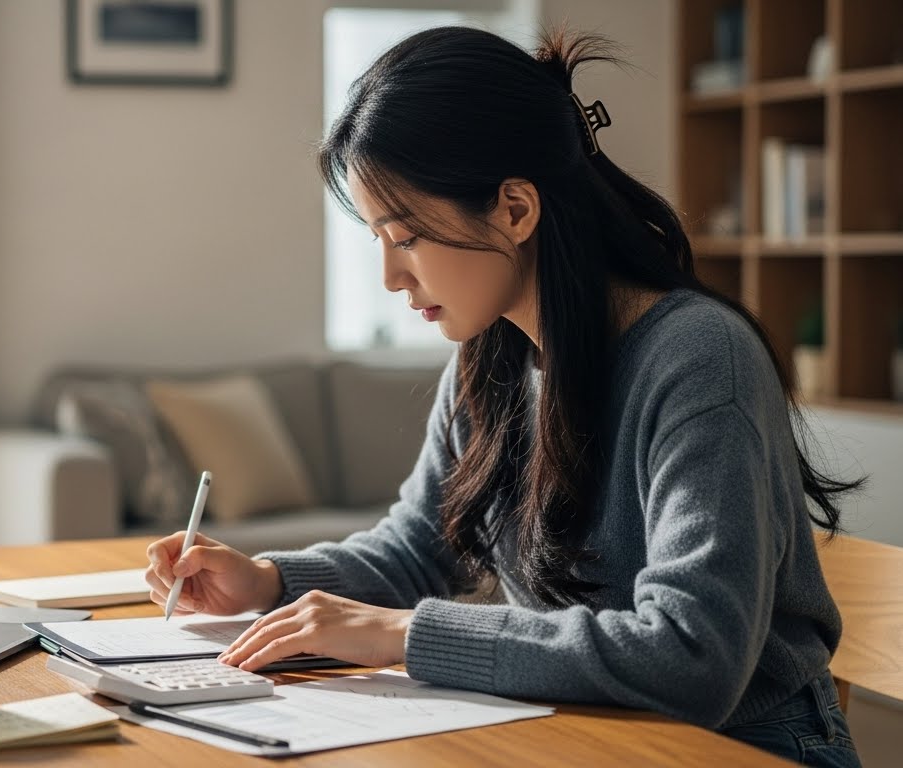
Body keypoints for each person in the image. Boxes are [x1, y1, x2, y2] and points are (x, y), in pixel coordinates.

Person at [144, 26, 863, 767]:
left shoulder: (700, 360)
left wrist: (401, 634)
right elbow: (419, 548)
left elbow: (691, 658)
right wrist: (268, 579)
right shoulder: (488, 355)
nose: (392, 276)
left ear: (515, 209)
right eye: (376, 239)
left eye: (407, 235)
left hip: (742, 746)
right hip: (575, 733)